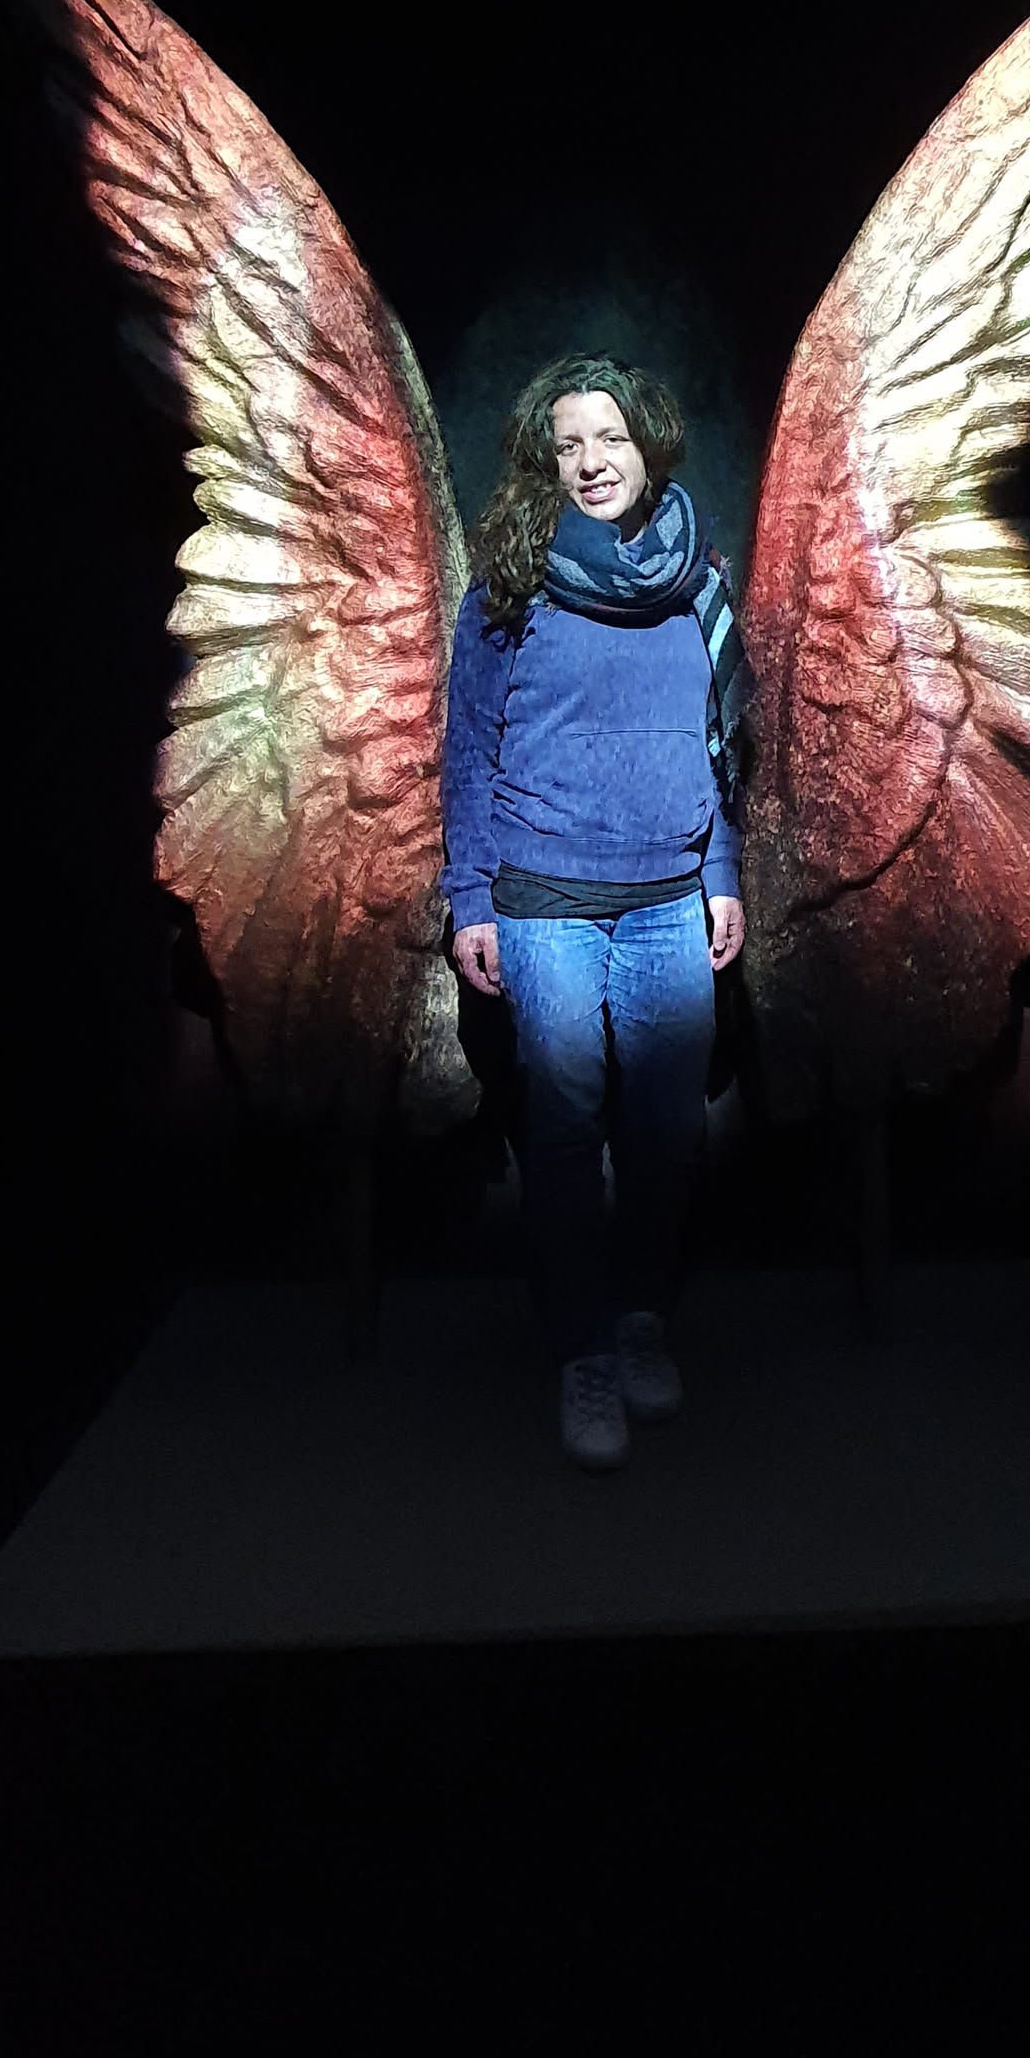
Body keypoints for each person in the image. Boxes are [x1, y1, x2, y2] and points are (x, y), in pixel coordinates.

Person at [441, 353, 749, 1472]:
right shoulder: (508, 588)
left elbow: (719, 743)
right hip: (545, 901)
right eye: (568, 443)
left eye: (609, 437)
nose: (591, 460)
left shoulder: (697, 582)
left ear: (646, 443)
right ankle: (582, 1346)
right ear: (546, 459)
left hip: (669, 898)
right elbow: (468, 751)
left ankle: (640, 1316)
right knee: (566, 1127)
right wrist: (470, 896)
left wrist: (722, 871)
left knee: (667, 1130)